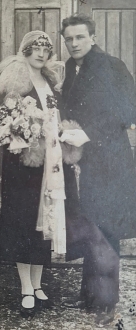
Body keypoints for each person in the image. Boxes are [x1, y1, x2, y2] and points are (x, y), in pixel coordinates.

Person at [0, 30, 79, 319]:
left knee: (44, 223)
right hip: (23, 166)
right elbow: (2, 124)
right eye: (35, 48)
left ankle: (39, 285)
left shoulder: (51, 82)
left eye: (45, 48)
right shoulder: (14, 80)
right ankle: (26, 288)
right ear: (25, 50)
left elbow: (55, 118)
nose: (41, 53)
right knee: (24, 222)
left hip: (50, 163)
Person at [60, 13, 136, 325]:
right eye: (69, 39)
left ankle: (105, 299)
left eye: (80, 37)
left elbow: (127, 110)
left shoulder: (112, 65)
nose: (74, 43)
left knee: (106, 226)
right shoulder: (69, 68)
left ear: (93, 37)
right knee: (91, 224)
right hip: (85, 159)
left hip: (111, 158)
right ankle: (91, 292)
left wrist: (89, 133)